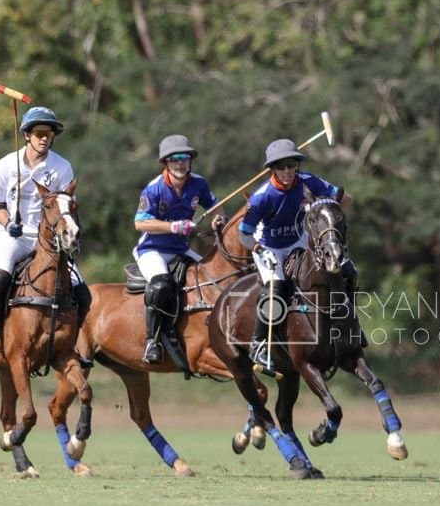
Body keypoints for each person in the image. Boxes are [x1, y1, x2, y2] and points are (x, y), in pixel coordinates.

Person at [0, 105, 90, 358]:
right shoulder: (7, 164)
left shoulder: (62, 167)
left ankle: (78, 341)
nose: (44, 138)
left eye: (48, 134)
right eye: (39, 133)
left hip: (49, 240)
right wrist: (8, 224)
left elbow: (68, 206)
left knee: (81, 291)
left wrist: (69, 234)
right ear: (27, 134)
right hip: (14, 236)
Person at [239, 138, 352, 376]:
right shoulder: (262, 197)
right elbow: (244, 235)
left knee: (347, 270)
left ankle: (351, 327)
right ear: (272, 169)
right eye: (282, 167)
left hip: (299, 240)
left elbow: (341, 199)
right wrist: (260, 251)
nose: (288, 171)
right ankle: (259, 344)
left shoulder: (308, 182)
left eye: (292, 165)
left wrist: (333, 207)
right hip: (270, 246)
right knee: (277, 288)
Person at [132, 134, 222, 364]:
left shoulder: (199, 184)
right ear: (166, 163)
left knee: (213, 279)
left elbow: (216, 208)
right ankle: (153, 340)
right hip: (153, 249)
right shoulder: (154, 189)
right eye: (174, 159)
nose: (180, 163)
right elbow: (140, 223)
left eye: (184, 158)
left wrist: (217, 220)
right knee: (162, 284)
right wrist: (173, 226)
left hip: (181, 248)